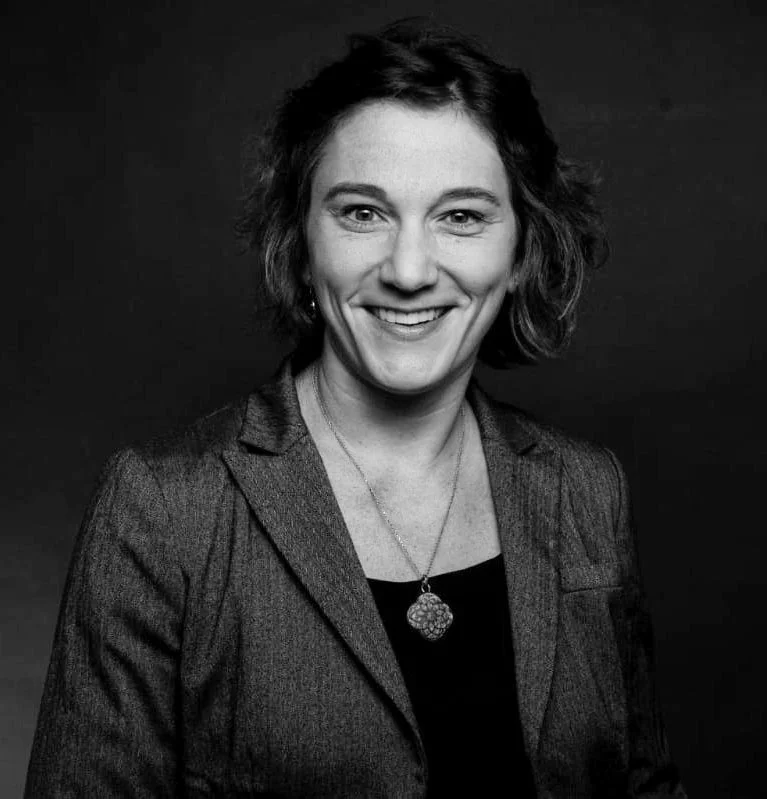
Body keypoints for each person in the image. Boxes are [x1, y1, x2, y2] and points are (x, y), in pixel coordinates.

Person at [25, 18, 686, 798]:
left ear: (520, 252)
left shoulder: (586, 488)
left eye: (461, 216)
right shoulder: (164, 509)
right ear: (302, 243)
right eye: (362, 212)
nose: (408, 270)